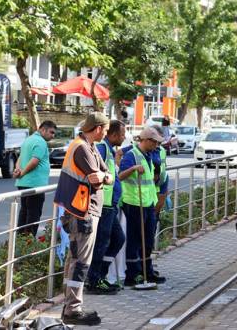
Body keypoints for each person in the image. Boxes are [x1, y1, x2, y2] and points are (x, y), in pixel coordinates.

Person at [54, 113, 111, 326]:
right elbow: (97, 181)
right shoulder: (82, 148)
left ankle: (71, 306)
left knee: (75, 261)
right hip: (82, 212)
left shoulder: (89, 146)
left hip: (82, 211)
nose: (106, 133)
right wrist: (104, 178)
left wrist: (105, 177)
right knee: (80, 263)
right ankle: (73, 309)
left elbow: (105, 175)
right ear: (97, 128)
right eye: (105, 129)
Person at [119, 127, 166, 286]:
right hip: (134, 203)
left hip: (147, 203)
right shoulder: (131, 156)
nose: (156, 145)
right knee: (135, 240)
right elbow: (120, 176)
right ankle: (133, 274)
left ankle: (147, 271)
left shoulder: (149, 155)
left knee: (147, 240)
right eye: (154, 142)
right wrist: (133, 169)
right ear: (145, 140)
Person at [86, 120, 127, 295]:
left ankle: (100, 275)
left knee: (117, 239)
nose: (125, 138)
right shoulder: (102, 148)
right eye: (123, 134)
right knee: (101, 243)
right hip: (104, 205)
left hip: (111, 204)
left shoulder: (110, 151)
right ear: (113, 134)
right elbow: (95, 174)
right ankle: (94, 280)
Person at [14, 120, 56, 236]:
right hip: (35, 184)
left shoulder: (28, 140)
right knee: (33, 214)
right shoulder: (41, 142)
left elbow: (20, 159)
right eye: (51, 132)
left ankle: (20, 239)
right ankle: (28, 242)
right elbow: (34, 161)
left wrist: (18, 171)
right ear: (43, 130)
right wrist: (21, 173)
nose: (53, 136)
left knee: (25, 211)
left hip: (24, 183)